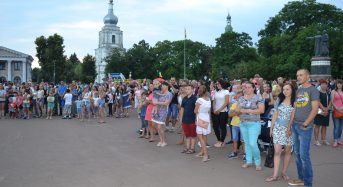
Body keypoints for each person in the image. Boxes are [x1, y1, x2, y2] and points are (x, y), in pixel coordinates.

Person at [288, 69, 319, 187]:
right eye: (297, 75)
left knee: (304, 155)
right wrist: (291, 123)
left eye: (301, 75)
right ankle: (301, 178)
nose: (299, 77)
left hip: (305, 127)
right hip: (295, 125)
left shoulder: (313, 90)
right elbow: (295, 108)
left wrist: (306, 123)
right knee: (296, 153)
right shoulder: (299, 90)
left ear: (308, 76)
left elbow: (315, 109)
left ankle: (308, 183)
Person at [266, 83, 296, 182]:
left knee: (287, 151)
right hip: (278, 128)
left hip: (289, 129)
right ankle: (275, 175)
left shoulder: (295, 102)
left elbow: (292, 117)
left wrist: (288, 128)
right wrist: (272, 127)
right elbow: (275, 113)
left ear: (292, 90)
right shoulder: (279, 99)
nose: (285, 91)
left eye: (287, 89)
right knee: (277, 151)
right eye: (284, 89)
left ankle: (283, 172)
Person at [236, 81, 265, 171]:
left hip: (254, 123)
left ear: (253, 88)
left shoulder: (258, 97)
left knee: (252, 143)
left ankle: (258, 162)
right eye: (245, 87)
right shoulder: (241, 98)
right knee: (247, 143)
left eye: (249, 87)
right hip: (243, 123)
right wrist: (239, 111)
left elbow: (261, 110)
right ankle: (249, 161)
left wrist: (247, 111)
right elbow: (237, 109)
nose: (247, 89)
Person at [152, 81, 173, 147]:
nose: (162, 87)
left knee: (159, 126)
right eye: (162, 86)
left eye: (163, 85)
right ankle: (161, 140)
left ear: (167, 86)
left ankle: (164, 141)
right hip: (158, 111)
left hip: (164, 111)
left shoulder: (169, 94)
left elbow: (166, 103)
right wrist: (155, 101)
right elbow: (154, 99)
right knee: (157, 127)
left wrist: (157, 102)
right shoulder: (160, 92)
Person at [194, 85, 211, 162]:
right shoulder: (208, 99)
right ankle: (202, 152)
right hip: (206, 118)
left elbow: (195, 111)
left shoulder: (199, 100)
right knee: (204, 136)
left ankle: (206, 154)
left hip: (200, 118)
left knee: (200, 137)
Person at [179, 84, 197, 154]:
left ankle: (192, 148)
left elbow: (197, 110)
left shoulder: (195, 99)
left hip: (192, 119)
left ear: (192, 90)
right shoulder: (184, 98)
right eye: (186, 89)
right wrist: (181, 118)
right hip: (185, 119)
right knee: (187, 135)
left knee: (192, 135)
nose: (187, 90)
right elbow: (182, 109)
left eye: (188, 89)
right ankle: (187, 147)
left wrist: (196, 119)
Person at [212, 79, 230, 148]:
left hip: (223, 112)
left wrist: (219, 110)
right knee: (215, 127)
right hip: (216, 112)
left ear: (222, 84)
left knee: (222, 127)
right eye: (216, 84)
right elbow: (214, 101)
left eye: (218, 84)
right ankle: (218, 140)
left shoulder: (226, 91)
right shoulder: (217, 92)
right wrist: (214, 109)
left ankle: (222, 141)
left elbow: (226, 102)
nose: (217, 85)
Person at [313, 80, 331, 146]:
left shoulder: (328, 92)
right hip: (319, 111)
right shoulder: (317, 92)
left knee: (324, 126)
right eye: (322, 84)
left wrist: (328, 108)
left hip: (326, 111)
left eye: (325, 84)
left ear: (327, 85)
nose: (324, 85)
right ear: (320, 85)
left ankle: (324, 140)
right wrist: (323, 108)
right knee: (317, 125)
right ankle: (316, 140)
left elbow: (330, 101)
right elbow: (317, 101)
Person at [227, 90, 243, 159]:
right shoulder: (234, 105)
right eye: (237, 97)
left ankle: (245, 153)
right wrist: (237, 112)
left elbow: (242, 114)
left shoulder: (244, 105)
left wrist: (235, 112)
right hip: (234, 124)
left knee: (243, 140)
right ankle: (234, 152)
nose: (238, 99)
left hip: (243, 124)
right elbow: (230, 114)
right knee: (234, 139)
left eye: (240, 97)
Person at [331, 79, 343, 148]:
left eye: (340, 83)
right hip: (335, 111)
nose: (339, 85)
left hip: (342, 111)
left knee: (341, 127)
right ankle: (335, 140)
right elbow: (332, 101)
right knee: (337, 127)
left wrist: (342, 107)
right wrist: (337, 108)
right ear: (336, 84)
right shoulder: (333, 91)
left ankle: (338, 139)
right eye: (338, 83)